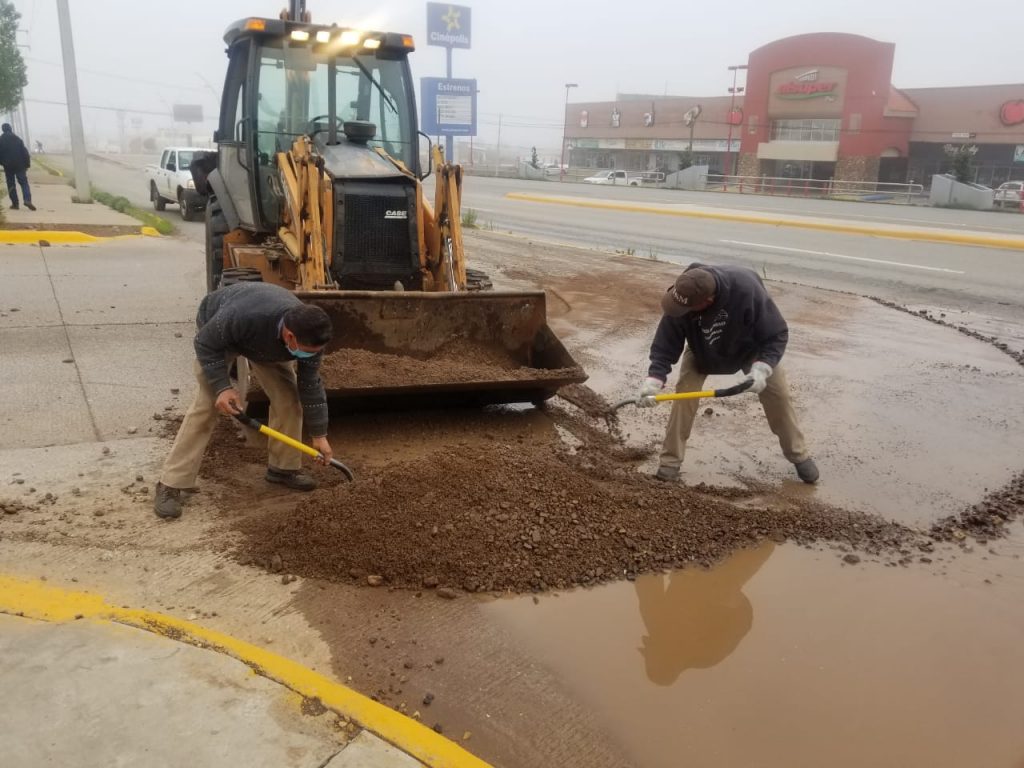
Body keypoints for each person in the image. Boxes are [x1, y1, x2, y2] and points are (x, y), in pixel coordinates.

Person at [154, 282, 335, 520]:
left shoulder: (310, 339)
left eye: (314, 351)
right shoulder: (242, 316)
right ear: (290, 336)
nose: (310, 356)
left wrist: (319, 435)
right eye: (306, 351)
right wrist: (223, 387)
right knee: (208, 404)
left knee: (289, 400)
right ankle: (171, 483)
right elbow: (204, 344)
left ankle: (283, 469)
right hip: (219, 338)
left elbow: (310, 385)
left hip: (266, 344)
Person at [638, 264, 819, 484]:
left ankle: (799, 455)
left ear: (708, 301)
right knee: (685, 395)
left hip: (750, 349)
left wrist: (762, 368)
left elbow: (776, 334)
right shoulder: (683, 296)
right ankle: (669, 463)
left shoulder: (746, 290)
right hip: (701, 350)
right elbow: (666, 343)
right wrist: (654, 380)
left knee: (778, 395)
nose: (679, 311)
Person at [0, 123, 35, 211]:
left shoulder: (1, 140)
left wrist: (2, 163)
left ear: (3, 130)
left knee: (11, 184)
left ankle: (15, 204)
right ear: (10, 129)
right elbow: (25, 153)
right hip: (20, 165)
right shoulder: (17, 139)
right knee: (24, 183)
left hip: (8, 166)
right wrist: (27, 164)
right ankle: (27, 200)